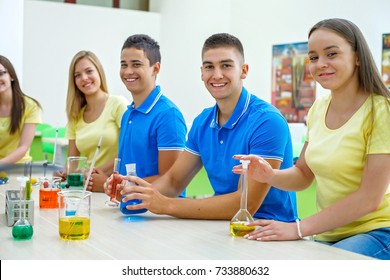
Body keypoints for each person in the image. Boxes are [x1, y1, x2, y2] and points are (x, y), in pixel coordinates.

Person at [233, 18, 390, 260]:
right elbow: (304, 174)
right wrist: (270, 175)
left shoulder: (381, 110)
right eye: (314, 57)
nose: (321, 64)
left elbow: (370, 198)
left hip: (378, 232)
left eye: (332, 54)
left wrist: (297, 228)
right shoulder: (319, 108)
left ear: (357, 57)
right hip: (328, 234)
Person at [113, 33, 297, 221]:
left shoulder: (267, 121)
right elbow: (173, 181)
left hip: (271, 232)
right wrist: (134, 193)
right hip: (223, 228)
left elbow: (245, 204)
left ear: (244, 70)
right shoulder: (202, 122)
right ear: (202, 72)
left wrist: (166, 204)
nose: (217, 75)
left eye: (226, 65)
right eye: (209, 67)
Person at [105, 34, 187, 189]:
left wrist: (125, 185)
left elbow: (170, 180)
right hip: (128, 208)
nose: (128, 71)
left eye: (136, 64)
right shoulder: (128, 113)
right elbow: (127, 174)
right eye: (124, 65)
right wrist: (113, 184)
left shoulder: (169, 116)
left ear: (155, 68)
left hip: (156, 213)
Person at [59, 51, 128, 192]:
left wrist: (91, 174)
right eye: (77, 75)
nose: (84, 78)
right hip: (87, 187)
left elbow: (127, 151)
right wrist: (64, 172)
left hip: (114, 187)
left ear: (99, 73)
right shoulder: (75, 115)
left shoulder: (118, 105)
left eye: (89, 71)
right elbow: (72, 162)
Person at [0, 55, 42, 164]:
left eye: (1, 73)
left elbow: (23, 147)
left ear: (11, 76)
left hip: (18, 170)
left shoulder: (30, 106)